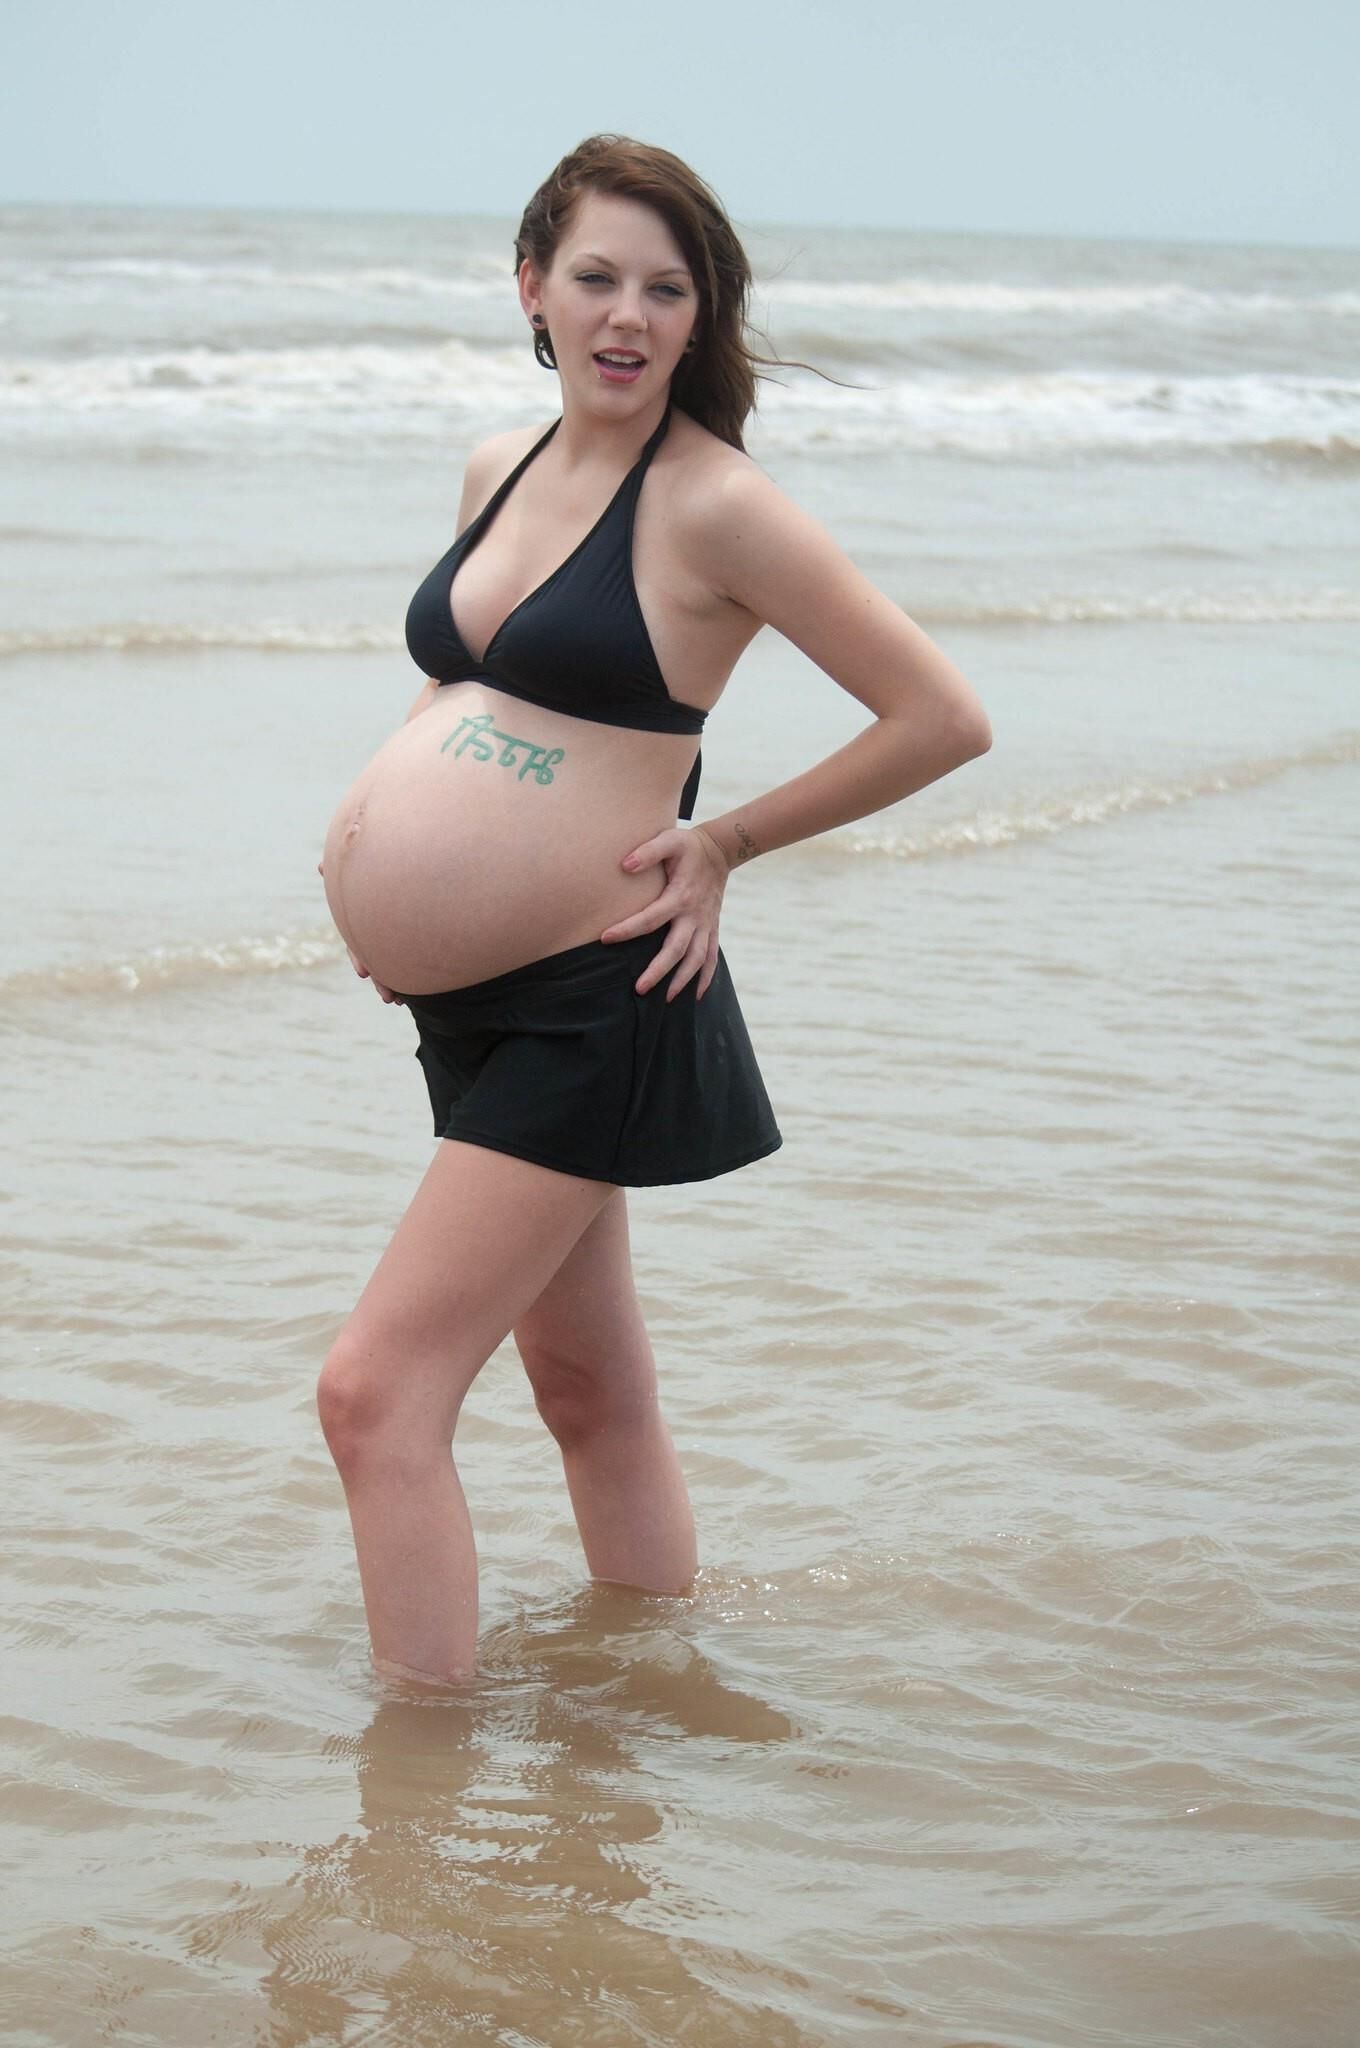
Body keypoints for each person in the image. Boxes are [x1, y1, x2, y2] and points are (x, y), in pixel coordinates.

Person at [316, 135, 991, 1686]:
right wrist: (390, 867)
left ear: (702, 317)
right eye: (599, 277)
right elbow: (472, 681)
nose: (628, 314)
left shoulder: (717, 509)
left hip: (593, 992)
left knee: (374, 1397)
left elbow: (940, 716)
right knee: (589, 1396)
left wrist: (727, 842)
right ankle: (648, 1696)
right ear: (533, 287)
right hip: (473, 995)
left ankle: (413, 1800)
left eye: (666, 289)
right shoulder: (499, 466)